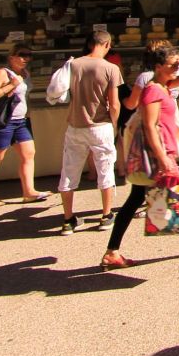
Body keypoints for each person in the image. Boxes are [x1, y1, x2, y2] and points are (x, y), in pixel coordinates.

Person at [101, 44, 179, 269]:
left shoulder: (165, 85)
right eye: (172, 66)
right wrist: (163, 159)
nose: (176, 69)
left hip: (159, 154)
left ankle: (112, 252)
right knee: (173, 196)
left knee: (140, 200)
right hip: (155, 155)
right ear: (158, 67)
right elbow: (149, 127)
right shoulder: (153, 91)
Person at [58, 30, 122, 235]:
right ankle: (106, 215)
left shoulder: (73, 65)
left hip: (75, 125)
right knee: (105, 169)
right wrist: (114, 124)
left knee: (69, 171)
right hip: (100, 125)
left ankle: (68, 219)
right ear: (107, 44)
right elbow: (114, 103)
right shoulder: (111, 68)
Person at [0, 43, 49, 208]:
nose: (26, 59)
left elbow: (25, 96)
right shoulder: (2, 73)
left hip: (21, 120)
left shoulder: (25, 73)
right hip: (4, 121)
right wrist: (11, 85)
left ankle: (29, 191)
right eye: (22, 55)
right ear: (11, 57)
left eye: (29, 55)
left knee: (28, 154)